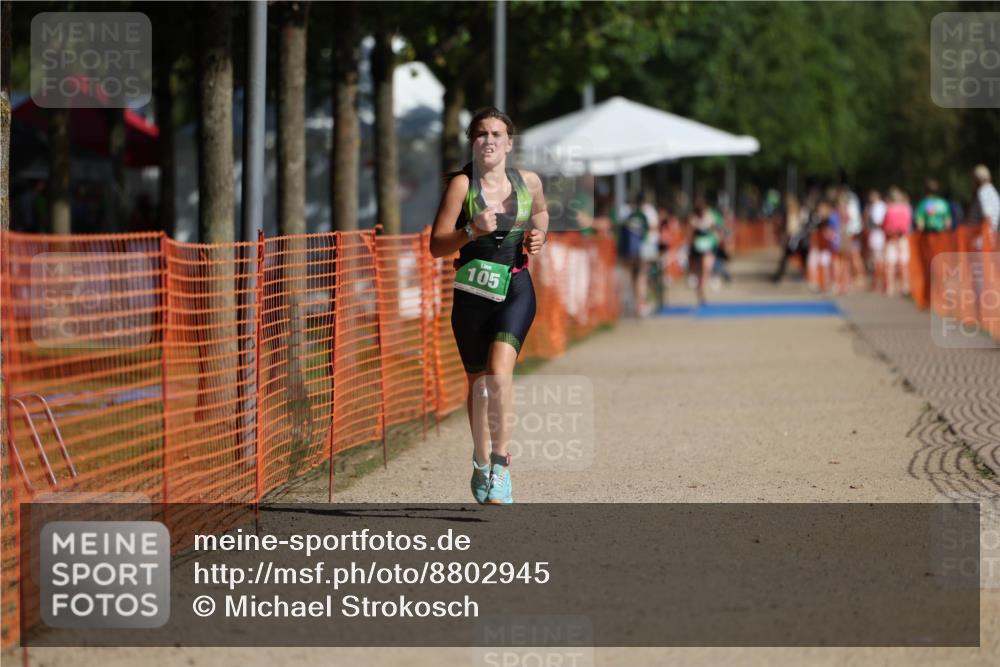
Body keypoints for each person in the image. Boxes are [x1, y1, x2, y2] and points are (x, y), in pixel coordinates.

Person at [429, 107, 548, 505]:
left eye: (497, 133)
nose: (490, 140)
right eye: (481, 134)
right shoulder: (462, 187)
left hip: (515, 287)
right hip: (471, 295)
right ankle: (480, 461)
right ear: (473, 141)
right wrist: (471, 230)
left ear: (510, 143)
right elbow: (435, 246)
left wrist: (539, 236)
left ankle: (501, 466)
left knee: (499, 374)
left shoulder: (528, 182)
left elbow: (543, 214)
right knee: (478, 387)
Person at [913, 178, 952, 307]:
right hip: (943, 238)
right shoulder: (943, 203)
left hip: (929, 238)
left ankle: (930, 298)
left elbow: (920, 224)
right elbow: (948, 222)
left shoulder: (924, 204)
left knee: (929, 267)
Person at [882, 187, 913, 297]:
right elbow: (908, 225)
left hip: (891, 238)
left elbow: (885, 225)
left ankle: (890, 287)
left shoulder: (889, 210)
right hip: (902, 237)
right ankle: (904, 286)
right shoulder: (906, 209)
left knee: (890, 264)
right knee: (903, 264)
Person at [688, 198, 717, 305]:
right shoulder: (693, 219)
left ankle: (702, 288)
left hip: (707, 247)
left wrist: (715, 241)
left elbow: (714, 231)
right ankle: (700, 290)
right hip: (697, 248)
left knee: (706, 269)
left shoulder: (709, 217)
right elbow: (690, 235)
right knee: (698, 271)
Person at [865, 190, 887, 291]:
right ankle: (880, 282)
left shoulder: (877, 206)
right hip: (879, 234)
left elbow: (878, 222)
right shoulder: (882, 205)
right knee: (878, 259)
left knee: (877, 259)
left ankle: (878, 283)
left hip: (877, 234)